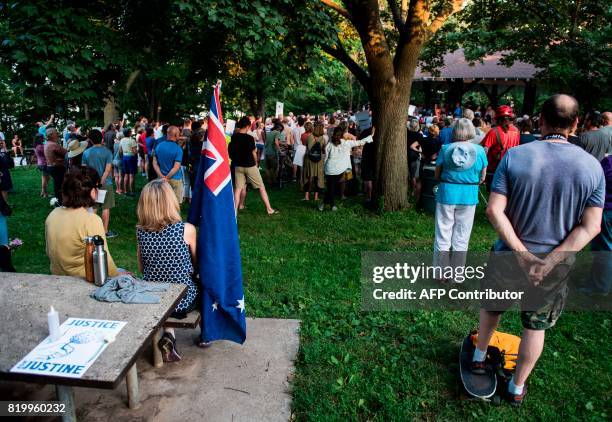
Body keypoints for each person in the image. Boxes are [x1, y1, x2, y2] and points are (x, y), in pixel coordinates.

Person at [473, 95, 604, 406]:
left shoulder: (515, 156)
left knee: (492, 307)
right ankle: (517, 388)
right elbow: (592, 226)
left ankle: (479, 358)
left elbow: (494, 211)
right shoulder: (592, 167)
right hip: (553, 266)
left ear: (540, 121)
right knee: (535, 325)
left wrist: (521, 253)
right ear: (576, 124)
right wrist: (549, 261)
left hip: (509, 254)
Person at [136, 179, 199, 362]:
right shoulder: (186, 229)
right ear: (171, 201)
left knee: (162, 290)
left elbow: (141, 267)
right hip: (180, 301)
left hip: (153, 297)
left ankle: (169, 335)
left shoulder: (140, 231)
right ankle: (206, 335)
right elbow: (196, 265)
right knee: (202, 285)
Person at [433, 118, 487, 273]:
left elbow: (437, 174)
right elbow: (482, 177)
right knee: (462, 236)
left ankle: (441, 272)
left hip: (446, 194)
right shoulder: (480, 151)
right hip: (469, 196)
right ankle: (457, 274)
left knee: (443, 234)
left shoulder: (445, 148)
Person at [45, 167, 119, 278]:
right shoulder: (91, 220)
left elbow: (49, 251)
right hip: (83, 278)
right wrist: (118, 275)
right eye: (98, 187)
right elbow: (104, 260)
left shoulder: (53, 214)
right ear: (93, 191)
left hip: (58, 275)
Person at [228, 117, 276, 215]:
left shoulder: (234, 136)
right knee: (261, 187)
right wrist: (256, 163)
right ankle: (269, 209)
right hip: (249, 165)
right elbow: (254, 153)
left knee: (237, 189)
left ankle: (234, 212)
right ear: (247, 126)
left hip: (238, 166)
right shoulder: (249, 138)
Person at [320, 126, 373, 211]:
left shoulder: (330, 144)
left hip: (330, 169)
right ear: (342, 135)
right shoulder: (346, 143)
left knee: (331, 188)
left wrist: (323, 169)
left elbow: (326, 158)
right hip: (338, 169)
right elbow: (360, 142)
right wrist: (371, 136)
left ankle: (326, 204)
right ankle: (330, 205)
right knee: (331, 188)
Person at [582, 152, 612, 295]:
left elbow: (596, 183)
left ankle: (600, 286)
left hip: (608, 211)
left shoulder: (608, 162)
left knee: (604, 249)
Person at [82, 129, 117, 238]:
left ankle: (90, 231)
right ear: (101, 138)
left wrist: (94, 184)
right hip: (106, 183)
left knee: (93, 208)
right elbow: (107, 170)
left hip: (92, 184)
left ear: (90, 140)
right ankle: (105, 231)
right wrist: (101, 183)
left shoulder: (86, 152)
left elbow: (84, 170)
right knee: (106, 208)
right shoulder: (107, 152)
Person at [480, 105, 520, 190]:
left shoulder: (494, 131)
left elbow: (483, 149)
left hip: (494, 169)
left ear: (497, 118)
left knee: (492, 196)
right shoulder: (516, 131)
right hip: (510, 168)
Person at [153, 126, 184, 204]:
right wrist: (166, 177)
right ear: (176, 135)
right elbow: (176, 167)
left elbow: (155, 163)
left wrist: (161, 176)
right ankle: (174, 216)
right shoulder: (178, 149)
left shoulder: (158, 146)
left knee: (162, 202)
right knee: (175, 203)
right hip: (175, 179)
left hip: (160, 178)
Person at [302, 121, 325, 202]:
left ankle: (307, 196)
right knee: (317, 178)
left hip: (309, 159)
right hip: (319, 160)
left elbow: (308, 148)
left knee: (308, 177)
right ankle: (316, 197)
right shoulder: (323, 138)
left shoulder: (309, 136)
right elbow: (324, 149)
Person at [44, 128, 67, 205]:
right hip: (57, 167)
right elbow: (66, 153)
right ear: (51, 135)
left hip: (51, 167)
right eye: (56, 133)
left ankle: (58, 199)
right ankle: (61, 201)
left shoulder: (47, 143)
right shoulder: (53, 145)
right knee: (60, 184)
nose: (57, 134)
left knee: (57, 184)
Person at [407, 119, 424, 197]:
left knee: (409, 174)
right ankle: (413, 192)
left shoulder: (406, 133)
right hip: (414, 156)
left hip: (406, 155)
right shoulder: (419, 135)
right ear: (418, 126)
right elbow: (421, 148)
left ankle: (410, 190)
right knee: (414, 176)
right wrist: (419, 151)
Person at [119, 128, 137, 196]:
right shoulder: (132, 140)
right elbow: (134, 151)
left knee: (126, 174)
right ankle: (132, 191)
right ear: (129, 133)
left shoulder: (122, 140)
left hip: (124, 157)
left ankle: (126, 191)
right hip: (131, 158)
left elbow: (120, 150)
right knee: (131, 175)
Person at [264, 121, 282, 185]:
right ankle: (273, 181)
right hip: (273, 153)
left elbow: (267, 142)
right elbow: (276, 142)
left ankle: (268, 181)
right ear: (279, 127)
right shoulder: (277, 132)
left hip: (266, 152)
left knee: (267, 168)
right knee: (274, 168)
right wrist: (280, 151)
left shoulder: (269, 133)